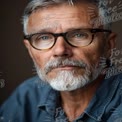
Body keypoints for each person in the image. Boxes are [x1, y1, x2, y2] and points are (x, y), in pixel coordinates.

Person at [0, 0, 122, 121]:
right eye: (44, 37)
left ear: (108, 44)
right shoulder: (26, 96)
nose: (60, 50)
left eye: (79, 35)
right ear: (30, 49)